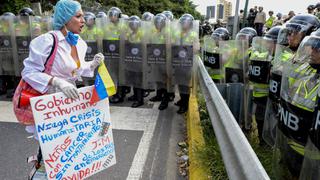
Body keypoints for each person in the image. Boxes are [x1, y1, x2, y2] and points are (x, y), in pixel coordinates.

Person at [21, 0, 104, 178]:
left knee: (68, 147)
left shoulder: (79, 43)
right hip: (49, 101)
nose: (83, 20)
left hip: (70, 100)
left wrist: (93, 64)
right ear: (65, 18)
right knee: (49, 148)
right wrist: (57, 82)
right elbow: (29, 72)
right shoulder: (47, 41)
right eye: (78, 16)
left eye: (83, 16)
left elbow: (76, 71)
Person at [274, 28, 320, 180]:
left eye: (318, 47)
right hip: (293, 140)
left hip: (312, 153)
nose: (312, 50)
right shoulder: (306, 71)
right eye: (312, 45)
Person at [171, 14, 199, 114]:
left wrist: (188, 48)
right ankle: (182, 100)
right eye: (183, 22)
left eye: (186, 22)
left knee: (185, 84)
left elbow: (196, 49)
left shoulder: (193, 34)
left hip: (187, 63)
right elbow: (172, 45)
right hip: (177, 62)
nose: (184, 24)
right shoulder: (177, 33)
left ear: (190, 24)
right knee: (179, 82)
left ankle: (184, 105)